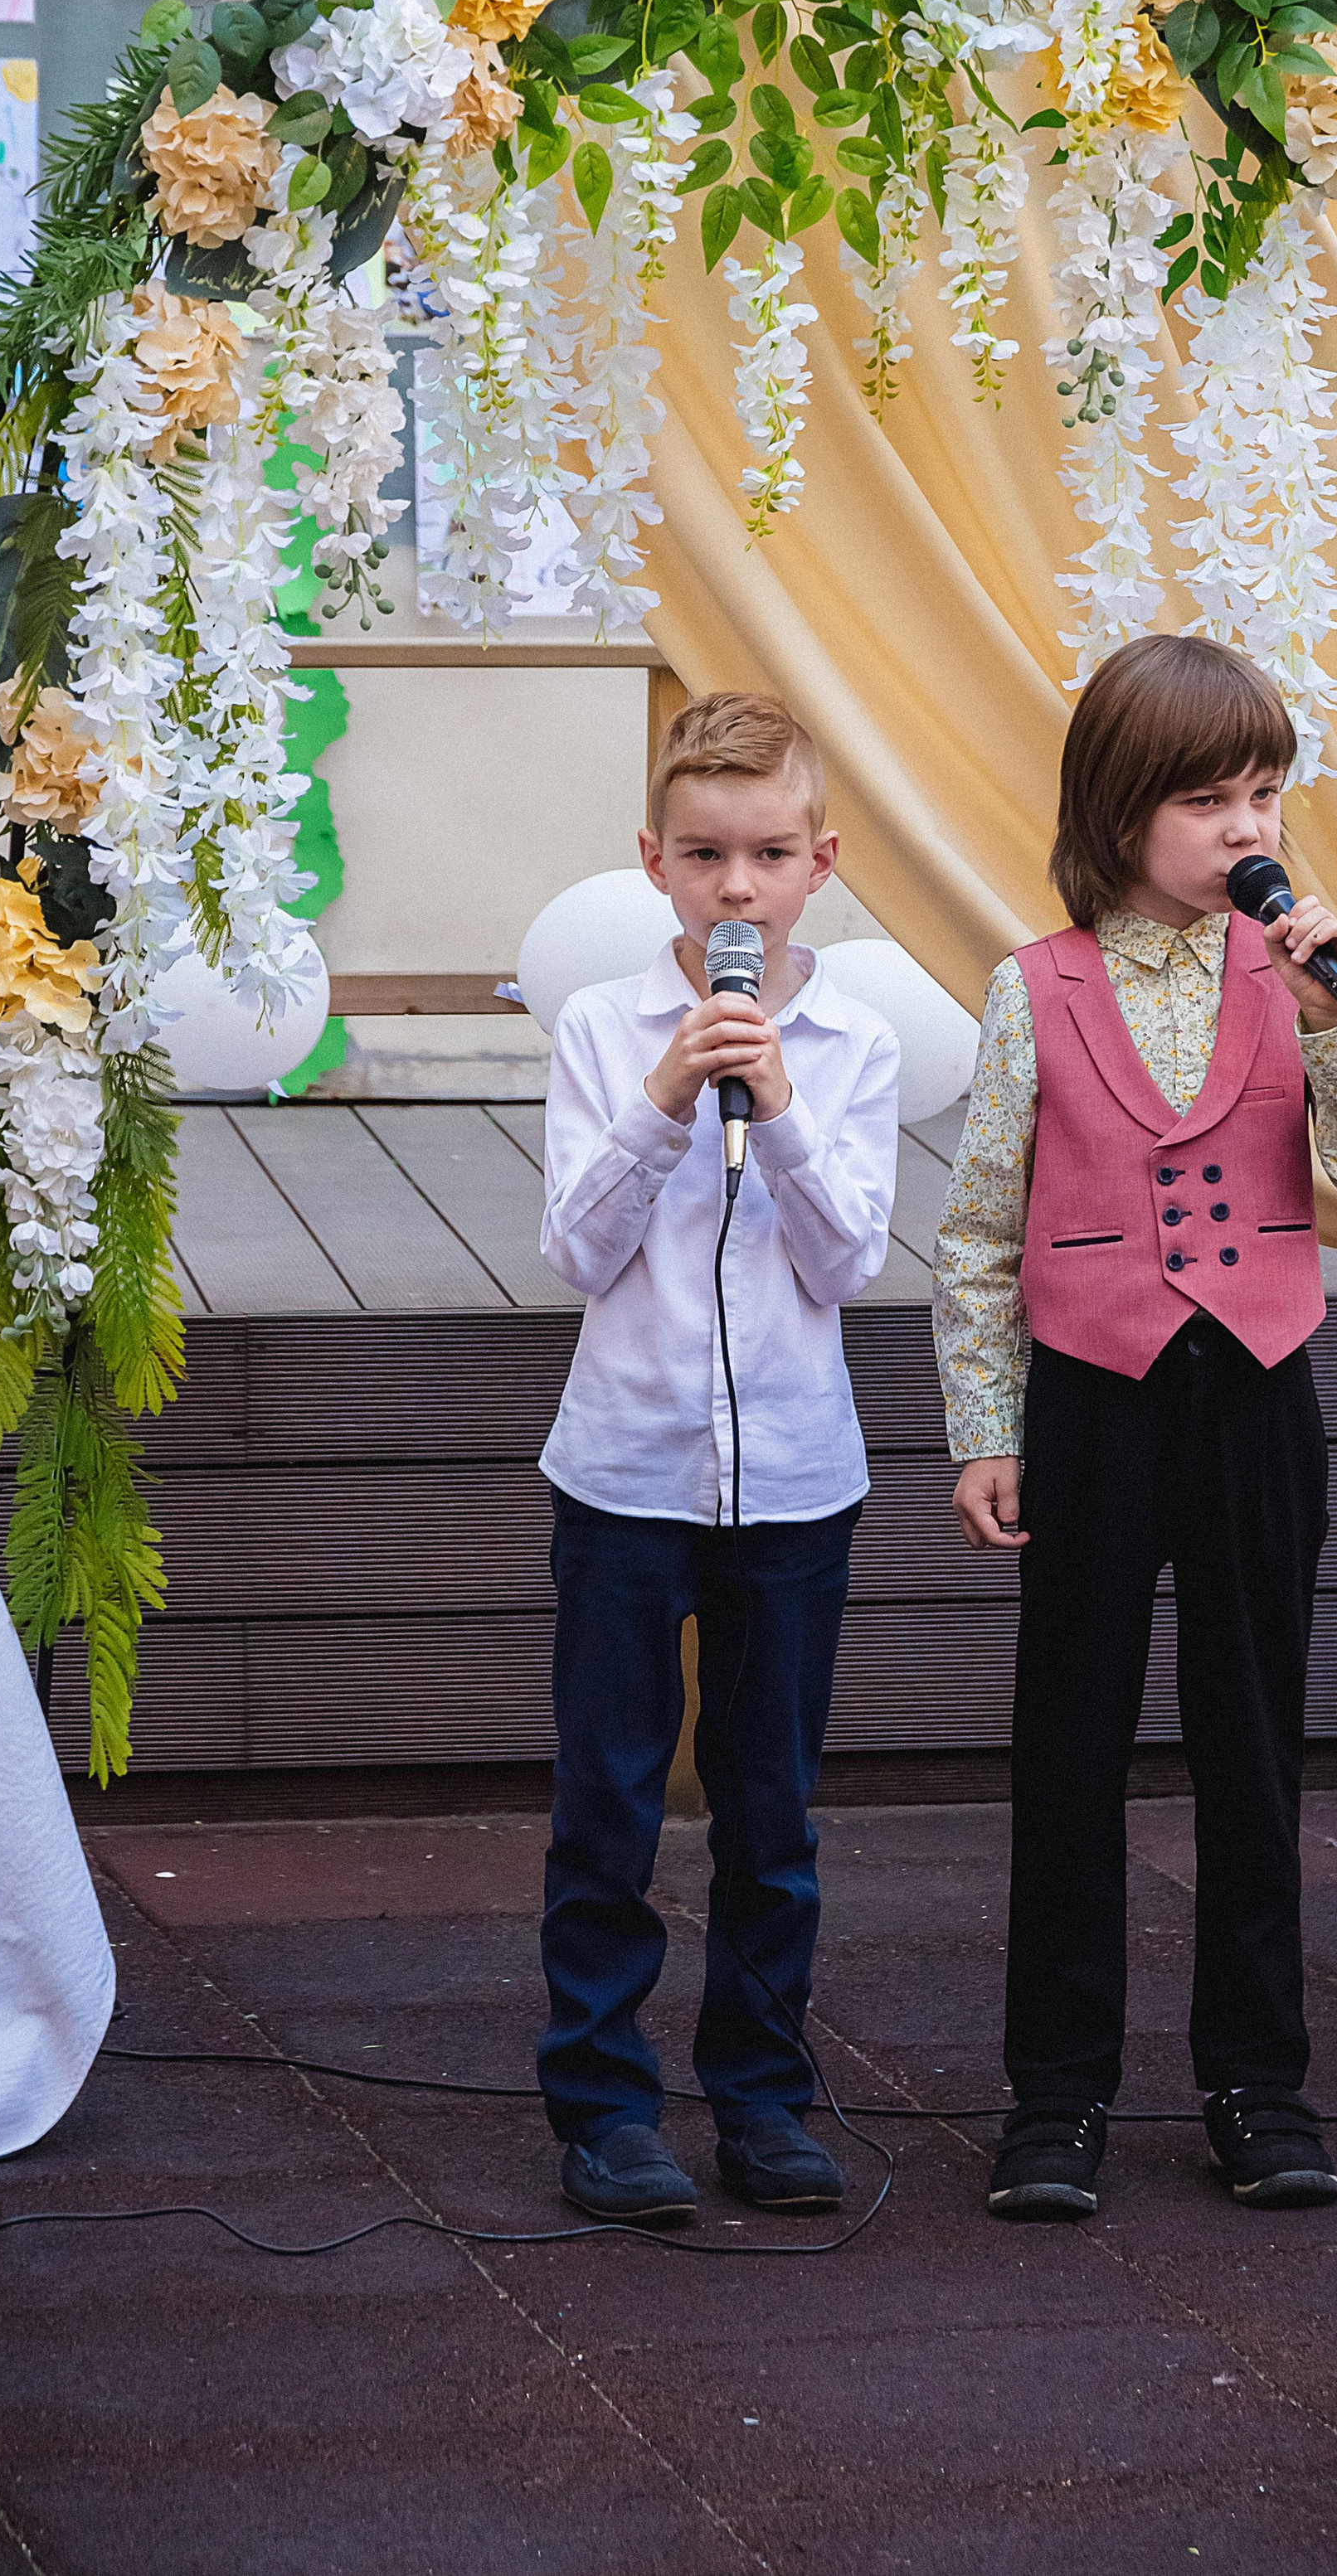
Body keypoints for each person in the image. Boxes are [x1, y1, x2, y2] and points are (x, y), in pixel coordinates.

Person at [931, 633, 1337, 2219]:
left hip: (1259, 1389)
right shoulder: (1035, 985)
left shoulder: (1300, 975)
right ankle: (1057, 2095)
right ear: (1120, 807)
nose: (1245, 826)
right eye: (1208, 797)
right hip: (1095, 1390)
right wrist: (984, 1424)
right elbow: (980, 1232)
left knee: (1254, 1741)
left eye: (1266, 791)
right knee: (1068, 1741)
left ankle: (1258, 2085)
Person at [534, 691, 901, 2225]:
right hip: (624, 1471)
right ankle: (606, 2103)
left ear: (819, 860)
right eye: (703, 855)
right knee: (609, 1800)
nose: (735, 886)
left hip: (796, 1483)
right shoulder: (604, 1028)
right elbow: (574, 1248)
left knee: (771, 1807)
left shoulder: (856, 1040)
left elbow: (849, 1265)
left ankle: (760, 2095)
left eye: (765, 855)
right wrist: (672, 1096)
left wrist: (784, 1107)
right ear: (654, 863)